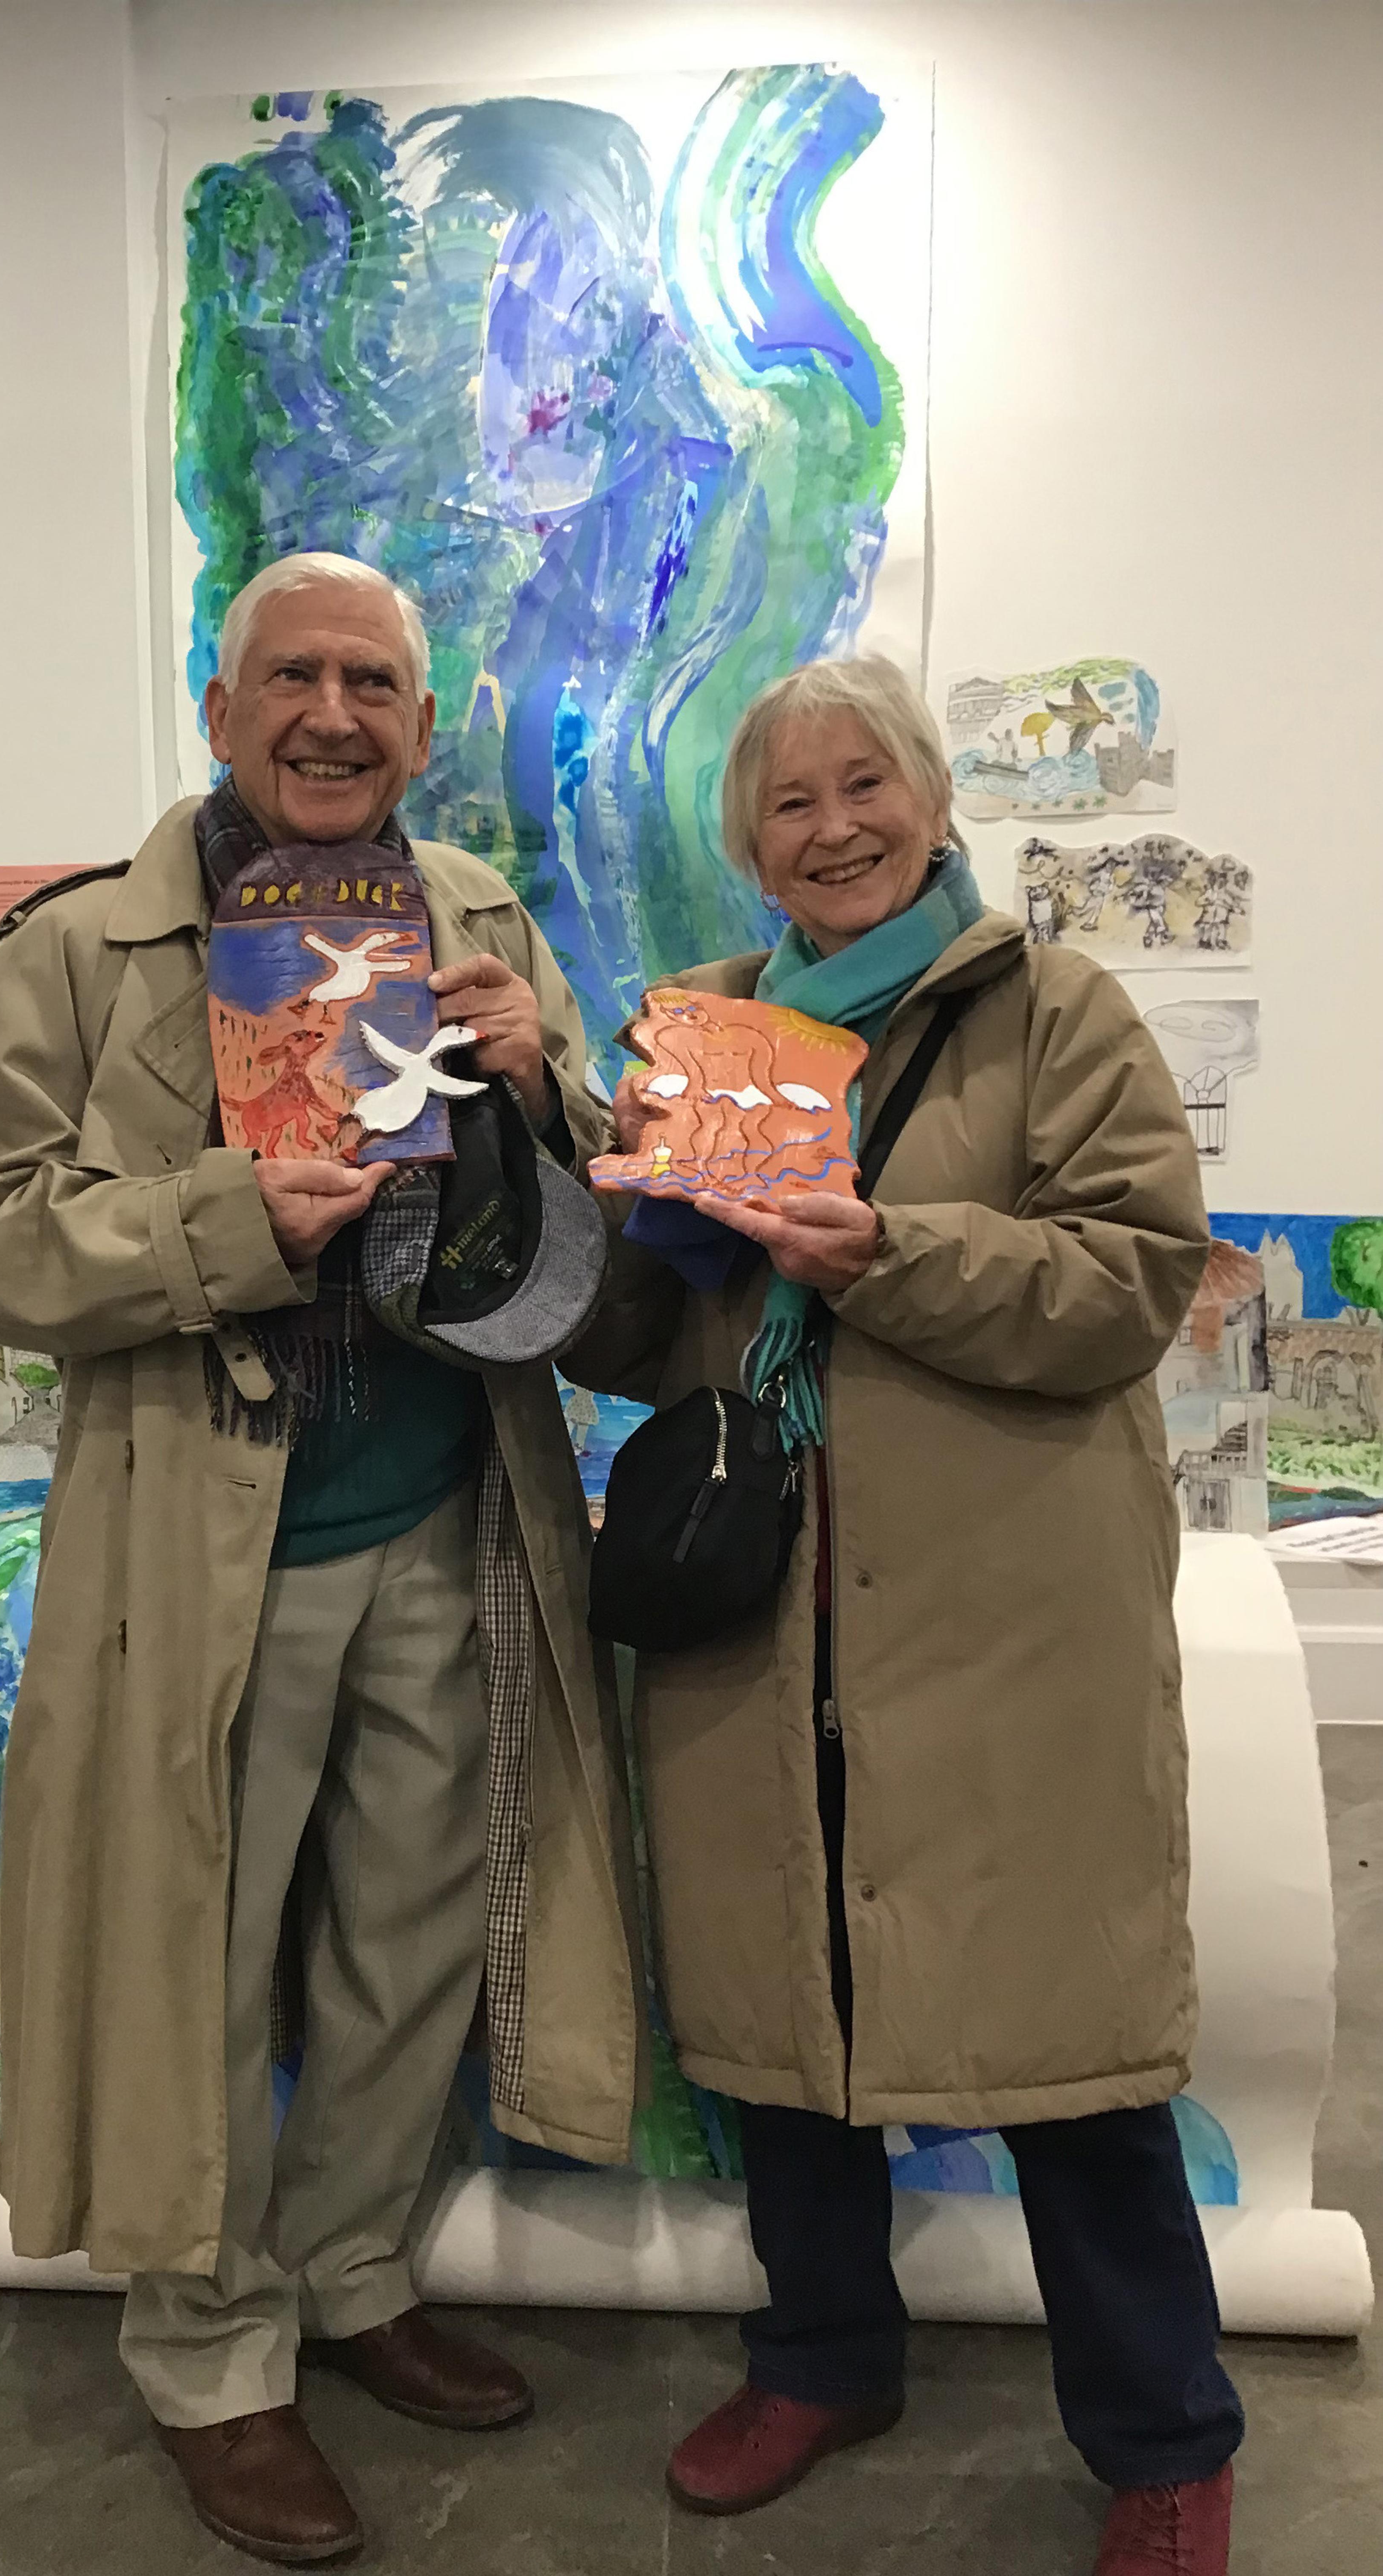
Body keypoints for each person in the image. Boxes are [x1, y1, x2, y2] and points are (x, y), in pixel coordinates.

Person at [0, 552, 643, 2568]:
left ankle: (349, 2272)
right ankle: (212, 2351)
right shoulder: (83, 948)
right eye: (294, 677)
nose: (336, 714)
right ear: (221, 708)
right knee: (199, 1954)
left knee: (413, 1936)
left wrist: (539, 1087)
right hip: (203, 1531)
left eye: (375, 684)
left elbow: (573, 1200)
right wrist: (237, 1218)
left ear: (419, 718)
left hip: (450, 1502)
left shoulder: (478, 914)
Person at [564, 655, 1242, 2575]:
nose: (834, 826)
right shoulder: (706, 1035)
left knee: (1070, 2052)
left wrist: (890, 1250)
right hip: (765, 1617)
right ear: (749, 843)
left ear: (936, 799)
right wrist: (604, 1194)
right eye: (791, 803)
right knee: (791, 2013)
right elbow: (641, 1333)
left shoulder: (1055, 1013)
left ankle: (1166, 2435)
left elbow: (1128, 1278)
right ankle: (823, 2353)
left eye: (867, 785)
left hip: (1005, 1623)